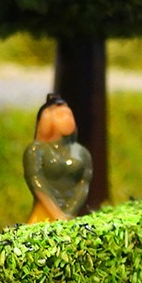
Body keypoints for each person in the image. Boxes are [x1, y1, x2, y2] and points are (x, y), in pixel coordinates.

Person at [24, 94, 93, 224]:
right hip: (43, 215)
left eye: (69, 115)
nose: (68, 119)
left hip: (71, 217)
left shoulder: (82, 153)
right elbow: (36, 183)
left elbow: (83, 186)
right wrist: (57, 214)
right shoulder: (36, 150)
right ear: (47, 120)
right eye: (61, 115)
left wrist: (69, 213)